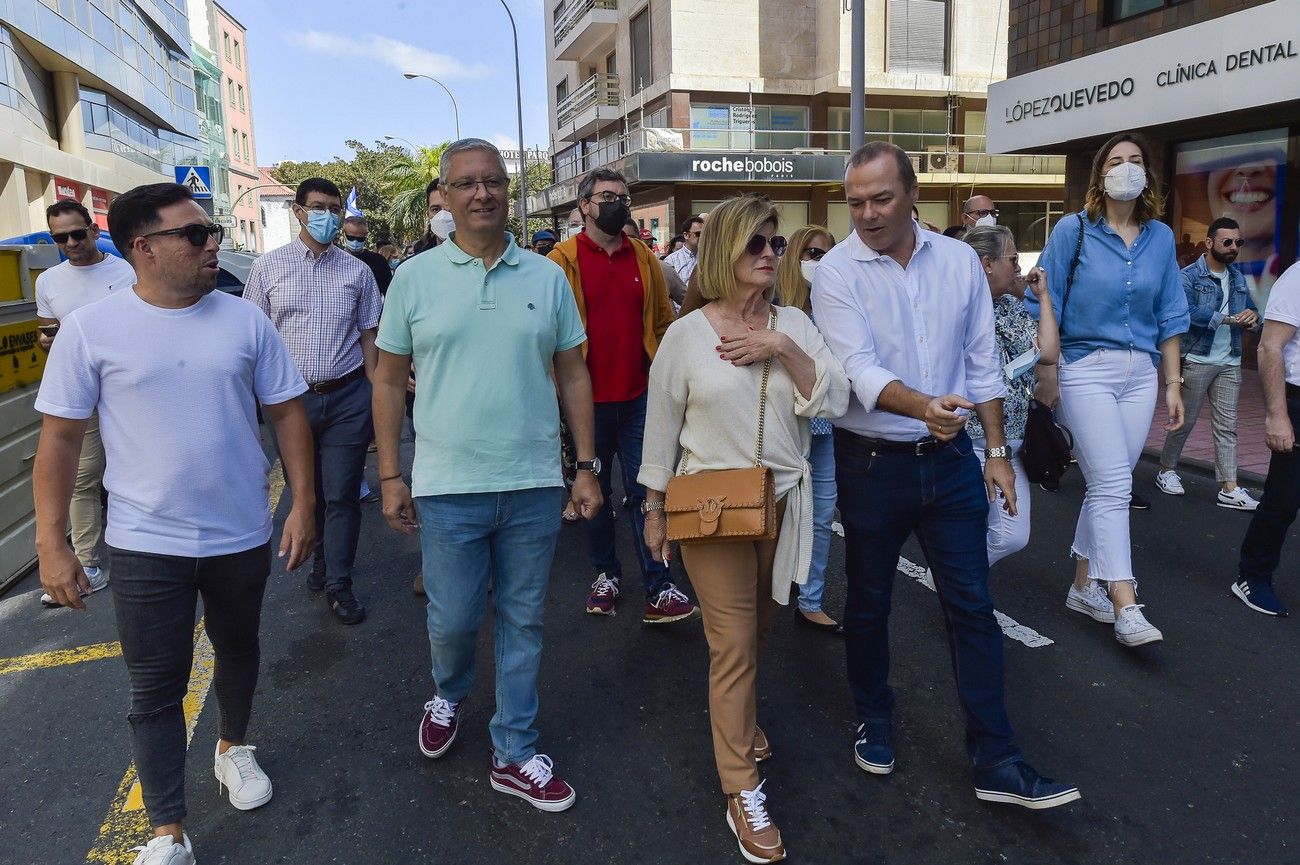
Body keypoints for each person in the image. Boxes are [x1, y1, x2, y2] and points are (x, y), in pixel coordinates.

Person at [33, 182, 315, 865]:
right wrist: (52, 543)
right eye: (195, 234)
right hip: (142, 543)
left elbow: (286, 414)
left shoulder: (245, 320)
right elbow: (62, 441)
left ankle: (231, 746)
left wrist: (304, 502)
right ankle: (168, 829)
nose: (212, 241)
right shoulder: (91, 329)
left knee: (239, 645)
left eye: (212, 229)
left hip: (240, 531)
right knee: (155, 684)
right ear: (143, 247)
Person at [813, 142, 1079, 810]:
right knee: (869, 602)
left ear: (912, 195)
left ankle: (997, 756)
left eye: (880, 199)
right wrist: (923, 405)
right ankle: (874, 717)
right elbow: (858, 369)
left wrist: (995, 450)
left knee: (972, 606)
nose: (867, 215)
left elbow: (981, 360)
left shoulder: (959, 260)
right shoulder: (837, 273)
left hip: (954, 462)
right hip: (870, 464)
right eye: (855, 203)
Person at [372, 138, 601, 812]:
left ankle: (515, 749)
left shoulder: (545, 277)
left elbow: (572, 372)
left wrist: (586, 466)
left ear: (509, 191)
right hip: (447, 486)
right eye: (466, 183)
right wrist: (391, 475)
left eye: (493, 181)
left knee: (524, 619)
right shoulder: (414, 279)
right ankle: (449, 690)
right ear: (442, 194)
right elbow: (387, 381)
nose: (482, 193)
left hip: (532, 482)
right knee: (453, 617)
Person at [640, 195, 850, 863]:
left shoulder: (794, 324)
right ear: (724, 249)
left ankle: (743, 722)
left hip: (782, 503)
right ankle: (742, 786)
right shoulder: (687, 333)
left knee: (759, 629)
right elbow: (661, 429)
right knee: (732, 643)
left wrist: (780, 345)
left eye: (775, 241)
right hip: (711, 509)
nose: (769, 252)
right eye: (755, 242)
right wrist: (652, 506)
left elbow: (834, 397)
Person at [1026, 132, 1189, 646]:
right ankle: (1125, 599)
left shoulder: (1160, 237)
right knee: (1116, 484)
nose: (1126, 168)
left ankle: (1081, 587)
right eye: (1116, 161)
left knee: (1106, 485)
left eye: (1135, 160)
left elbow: (1169, 314)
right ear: (1099, 175)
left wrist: (1173, 384)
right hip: (1085, 368)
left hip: (1141, 373)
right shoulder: (1073, 231)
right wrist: (1047, 372)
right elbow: (1042, 304)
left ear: (1148, 174)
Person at [547, 168, 698, 623]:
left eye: (623, 196)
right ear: (584, 207)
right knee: (591, 493)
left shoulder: (645, 259)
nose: (617, 203)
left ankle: (659, 583)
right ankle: (606, 574)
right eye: (607, 196)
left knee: (648, 491)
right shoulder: (560, 261)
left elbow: (660, 323)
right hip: (584, 404)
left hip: (639, 399)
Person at [242, 178, 382, 626]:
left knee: (341, 492)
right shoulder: (268, 269)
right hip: (290, 406)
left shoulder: (357, 272)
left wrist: (378, 398)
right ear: (298, 212)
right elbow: (253, 341)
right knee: (311, 492)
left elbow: (370, 338)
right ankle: (322, 558)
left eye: (334, 208)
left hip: (347, 396)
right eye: (318, 207)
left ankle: (338, 580)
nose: (328, 216)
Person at [33, 199, 136, 608]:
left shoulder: (125, 269)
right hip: (81, 392)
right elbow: (49, 334)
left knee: (136, 465)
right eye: (61, 238)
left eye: (78, 233)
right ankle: (90, 563)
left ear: (94, 230)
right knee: (82, 477)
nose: (71, 243)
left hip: (129, 386)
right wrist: (47, 342)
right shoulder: (48, 282)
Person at [962, 225, 1060, 568]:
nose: (1019, 267)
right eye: (1013, 258)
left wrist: (1043, 297)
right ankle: (963, 595)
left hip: (1013, 440)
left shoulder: (1010, 305)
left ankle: (956, 579)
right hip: (971, 441)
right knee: (976, 528)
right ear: (987, 263)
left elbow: (1047, 352)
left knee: (1012, 535)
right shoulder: (956, 308)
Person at [1156, 217, 1261, 509]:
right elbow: (1184, 313)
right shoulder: (1188, 276)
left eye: (1238, 242)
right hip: (1197, 358)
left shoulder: (1238, 279)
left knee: (1227, 425)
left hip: (1230, 361)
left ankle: (1229, 487)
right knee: (1184, 421)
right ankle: (1166, 469)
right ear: (1209, 243)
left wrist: (1252, 319)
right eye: (1227, 242)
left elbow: (1252, 311)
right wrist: (1227, 319)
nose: (1233, 248)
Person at [774, 224, 842, 633]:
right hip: (781, 427)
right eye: (813, 254)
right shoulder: (774, 307)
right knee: (770, 513)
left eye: (827, 255)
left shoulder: (839, 306)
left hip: (826, 431)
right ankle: (762, 592)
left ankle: (811, 598)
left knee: (820, 515)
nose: (820, 263)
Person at [1232, 260, 1300, 617]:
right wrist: (1277, 416)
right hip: (1298, 400)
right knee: (1284, 501)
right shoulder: (1297, 277)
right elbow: (1270, 348)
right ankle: (1253, 576)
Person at [341, 215, 393, 295]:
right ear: (344, 235)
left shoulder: (379, 261)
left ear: (366, 236)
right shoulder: (334, 259)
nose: (355, 242)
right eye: (351, 238)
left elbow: (389, 292)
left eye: (360, 239)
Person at [665, 214, 705, 283]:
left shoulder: (709, 258)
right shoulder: (671, 261)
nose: (702, 237)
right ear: (686, 235)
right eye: (698, 234)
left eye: (704, 233)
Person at [411, 181, 448, 255]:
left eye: (450, 207)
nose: (443, 215)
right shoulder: (414, 264)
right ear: (428, 214)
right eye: (435, 209)